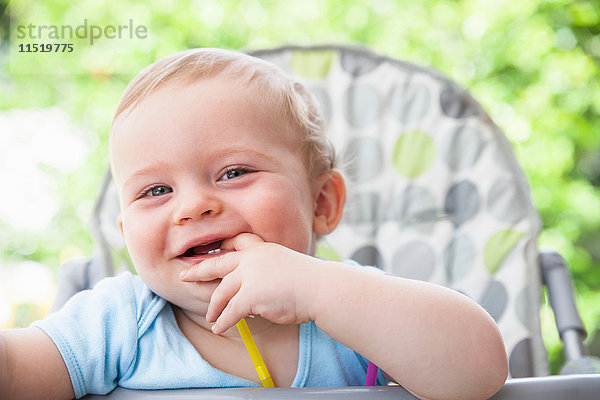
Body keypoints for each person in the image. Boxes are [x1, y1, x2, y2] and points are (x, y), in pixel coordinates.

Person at [0, 48, 508, 400]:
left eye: (235, 172)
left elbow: (480, 372)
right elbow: (17, 373)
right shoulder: (118, 324)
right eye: (156, 190)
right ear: (125, 229)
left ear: (322, 202)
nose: (193, 206)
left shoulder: (357, 312)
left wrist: (318, 291)